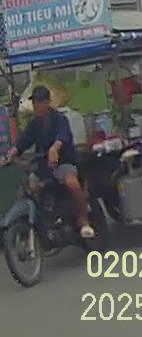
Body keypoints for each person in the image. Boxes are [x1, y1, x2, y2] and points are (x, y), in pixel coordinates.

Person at [0, 86, 95, 238]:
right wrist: (11, 154)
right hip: (43, 167)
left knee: (72, 183)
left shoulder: (59, 119)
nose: (37, 105)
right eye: (35, 102)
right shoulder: (34, 124)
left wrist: (55, 149)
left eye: (40, 101)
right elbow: (23, 142)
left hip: (63, 163)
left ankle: (84, 219)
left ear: (48, 102)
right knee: (27, 189)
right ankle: (37, 223)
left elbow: (62, 136)